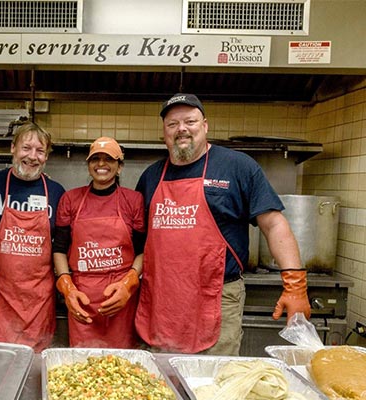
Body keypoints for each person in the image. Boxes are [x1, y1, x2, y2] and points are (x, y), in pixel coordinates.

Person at [135, 93, 311, 356]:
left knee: (213, 381)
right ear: (164, 133)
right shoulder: (151, 176)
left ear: (205, 126)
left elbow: (274, 223)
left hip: (216, 297)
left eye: (190, 121)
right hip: (163, 299)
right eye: (173, 124)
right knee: (161, 382)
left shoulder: (237, 167)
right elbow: (141, 241)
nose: (182, 129)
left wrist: (295, 283)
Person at [52, 137, 146, 348]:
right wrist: (67, 288)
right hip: (82, 297)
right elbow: (59, 249)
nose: (101, 164)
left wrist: (128, 283)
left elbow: (143, 250)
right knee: (84, 367)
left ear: (119, 167)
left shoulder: (133, 200)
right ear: (88, 165)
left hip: (121, 300)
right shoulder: (70, 200)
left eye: (109, 159)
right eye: (95, 159)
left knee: (122, 368)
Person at [0, 122, 65, 352]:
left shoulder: (57, 192)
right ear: (12, 148)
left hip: (38, 307)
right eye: (26, 148)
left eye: (40, 151)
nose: (32, 156)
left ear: (46, 156)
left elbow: (63, 246)